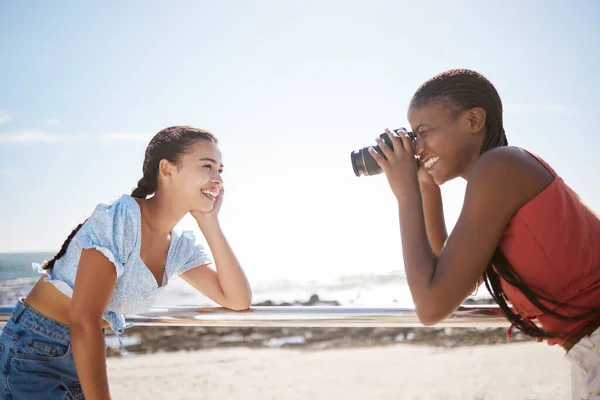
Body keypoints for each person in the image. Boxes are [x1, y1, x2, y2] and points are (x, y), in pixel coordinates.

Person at [368, 69, 600, 399]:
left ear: (474, 121)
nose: (416, 149)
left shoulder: (500, 167)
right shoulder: (499, 174)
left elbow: (431, 306)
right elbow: (454, 275)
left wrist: (405, 195)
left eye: (423, 133)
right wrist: (423, 186)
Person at [0, 126, 253, 399]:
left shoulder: (179, 246)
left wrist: (210, 223)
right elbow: (83, 319)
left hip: (82, 354)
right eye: (207, 166)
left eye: (220, 170)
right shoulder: (121, 219)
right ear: (167, 170)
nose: (218, 179)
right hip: (34, 351)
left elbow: (238, 300)